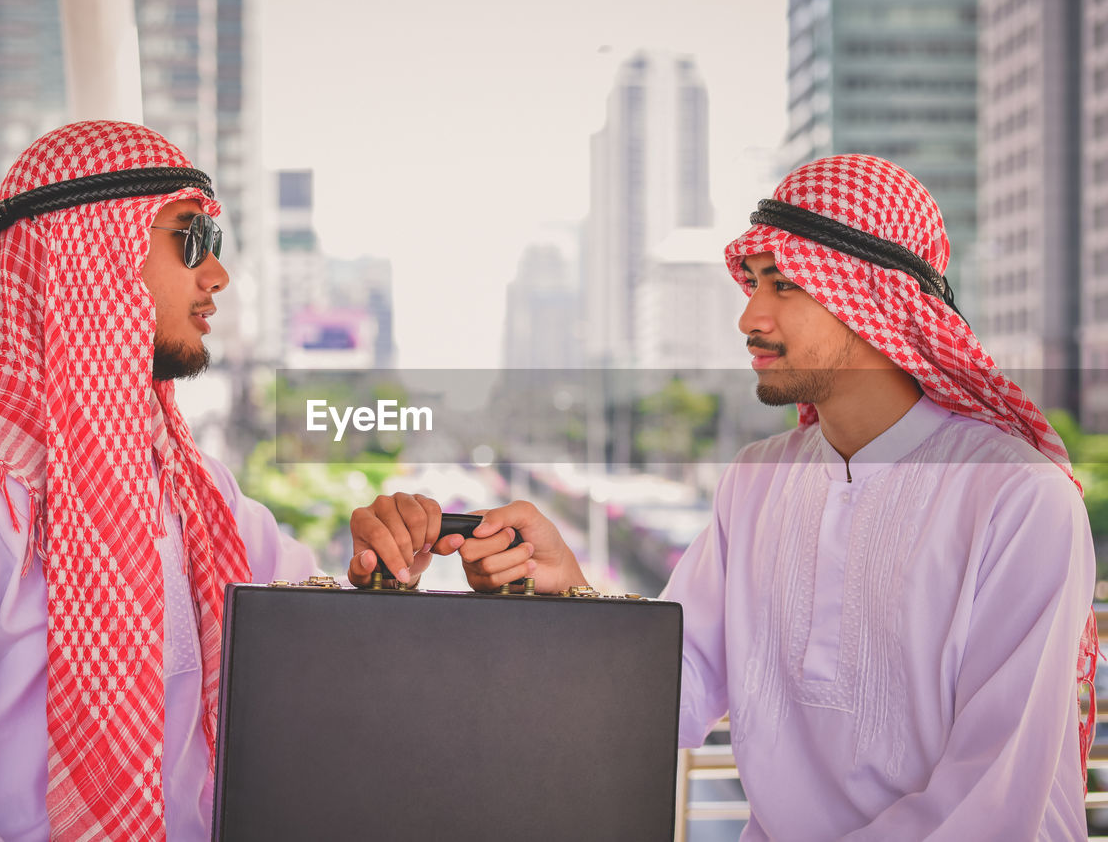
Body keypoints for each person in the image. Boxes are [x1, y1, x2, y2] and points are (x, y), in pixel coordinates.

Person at [0, 121, 453, 841]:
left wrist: (389, 560)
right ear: (89, 251)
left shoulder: (196, 492)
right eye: (190, 240)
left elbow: (317, 643)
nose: (216, 275)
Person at [454, 154, 1098, 839]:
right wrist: (567, 590)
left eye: (784, 284)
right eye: (752, 282)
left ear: (872, 298)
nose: (749, 317)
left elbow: (988, 804)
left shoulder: (1020, 500)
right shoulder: (756, 478)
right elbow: (677, 684)